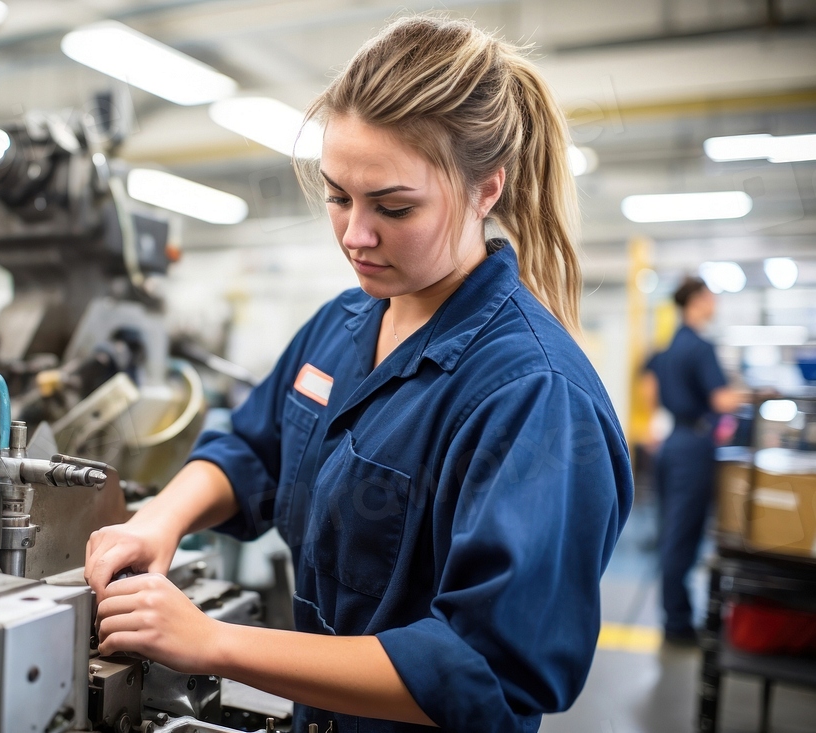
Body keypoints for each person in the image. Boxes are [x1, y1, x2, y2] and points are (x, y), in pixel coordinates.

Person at [85, 16, 633, 733]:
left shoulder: (532, 395)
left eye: (393, 206)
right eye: (338, 194)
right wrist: (160, 516)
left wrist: (214, 643)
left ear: (486, 189)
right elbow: (257, 449)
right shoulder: (345, 322)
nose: (354, 235)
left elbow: (486, 670)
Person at [643, 277, 745, 645]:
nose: (714, 300)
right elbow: (721, 401)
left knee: (672, 531)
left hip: (673, 443)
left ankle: (676, 616)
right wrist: (752, 393)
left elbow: (650, 390)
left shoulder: (668, 347)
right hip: (694, 446)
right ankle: (678, 624)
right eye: (711, 294)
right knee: (683, 535)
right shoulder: (700, 346)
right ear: (698, 300)